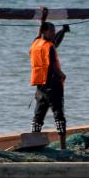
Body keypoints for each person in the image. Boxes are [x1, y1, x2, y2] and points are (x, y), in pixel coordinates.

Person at [29, 20, 67, 149]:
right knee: (59, 116)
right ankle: (63, 147)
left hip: (40, 88)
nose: (54, 33)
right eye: (52, 31)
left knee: (38, 116)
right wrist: (62, 75)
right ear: (44, 31)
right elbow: (53, 65)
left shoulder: (35, 43)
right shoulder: (49, 47)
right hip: (53, 86)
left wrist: (62, 32)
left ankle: (33, 143)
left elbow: (54, 41)